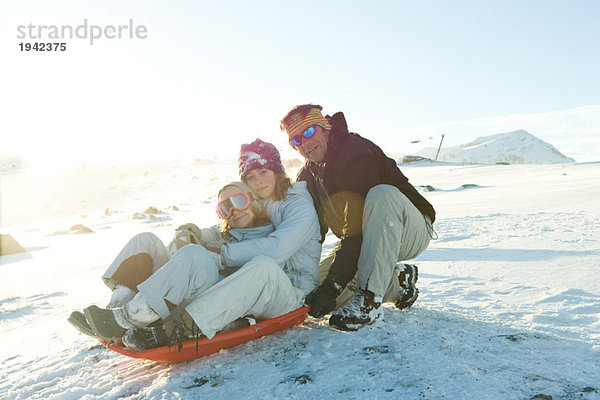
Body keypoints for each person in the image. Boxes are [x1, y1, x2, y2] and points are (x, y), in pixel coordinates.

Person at [82, 140, 322, 350]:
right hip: (248, 288)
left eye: (263, 172)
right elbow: (227, 227)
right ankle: (120, 307)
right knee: (152, 242)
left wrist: (221, 255)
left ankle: (166, 325)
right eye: (251, 177)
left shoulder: (295, 205)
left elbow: (276, 248)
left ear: (277, 171)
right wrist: (197, 233)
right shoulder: (261, 203)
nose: (258, 181)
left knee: (263, 266)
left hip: (291, 290)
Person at [280, 104, 436, 331]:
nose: (304, 143)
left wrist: (334, 285)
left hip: (408, 228)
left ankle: (370, 300)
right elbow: (305, 225)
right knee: (313, 293)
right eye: (296, 141)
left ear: (325, 128)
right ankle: (398, 283)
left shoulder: (356, 153)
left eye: (309, 132)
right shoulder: (310, 173)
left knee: (381, 195)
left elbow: (359, 230)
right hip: (362, 241)